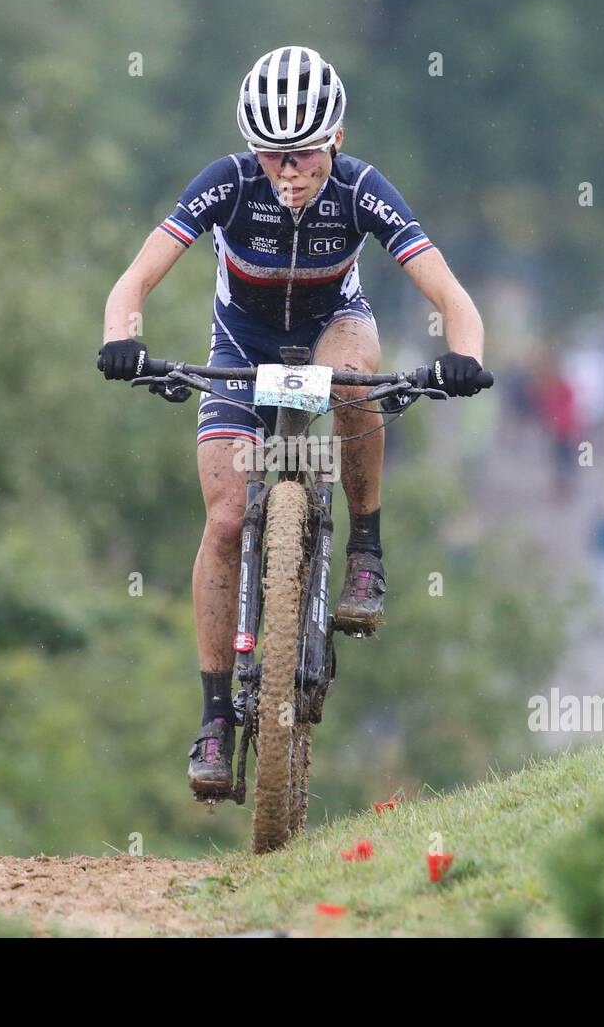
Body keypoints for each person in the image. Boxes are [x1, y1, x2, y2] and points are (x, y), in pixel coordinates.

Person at [97, 47, 486, 797]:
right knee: (222, 518)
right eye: (273, 156)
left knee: (349, 380)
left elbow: (452, 295)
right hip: (239, 346)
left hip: (331, 328)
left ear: (334, 139)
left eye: (303, 154)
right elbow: (136, 277)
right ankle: (214, 718)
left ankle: (366, 546)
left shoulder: (362, 190)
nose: (289, 173)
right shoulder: (229, 184)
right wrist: (122, 339)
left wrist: (464, 354)